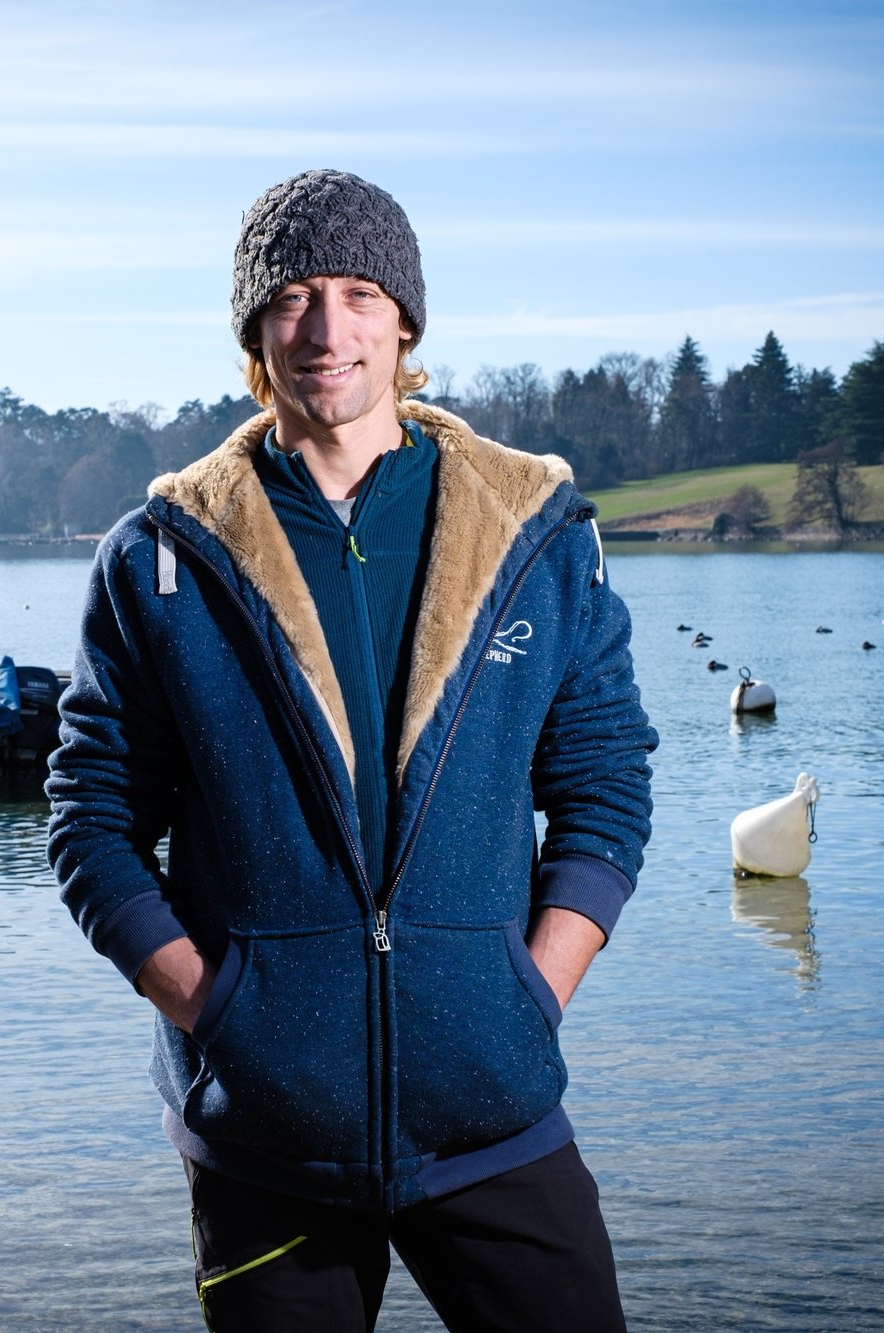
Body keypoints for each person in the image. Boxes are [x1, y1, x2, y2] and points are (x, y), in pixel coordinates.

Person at [45, 169, 656, 1332]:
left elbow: (604, 786)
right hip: (263, 1135)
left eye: (358, 293)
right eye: (291, 298)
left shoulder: (536, 534)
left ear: (404, 322)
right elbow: (89, 821)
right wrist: (219, 1015)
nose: (325, 329)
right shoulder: (157, 558)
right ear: (252, 331)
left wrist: (529, 993)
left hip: (493, 1108)